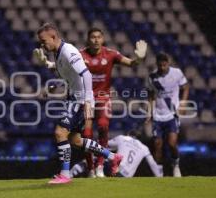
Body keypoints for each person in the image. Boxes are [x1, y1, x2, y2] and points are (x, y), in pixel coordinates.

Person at [33, 23, 123, 184]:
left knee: (60, 133)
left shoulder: (68, 51)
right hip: (75, 98)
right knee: (75, 140)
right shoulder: (58, 53)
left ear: (53, 37)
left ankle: (65, 174)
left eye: (43, 40)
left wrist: (88, 101)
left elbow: (86, 75)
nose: (42, 44)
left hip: (79, 100)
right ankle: (113, 157)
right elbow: (69, 77)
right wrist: (52, 84)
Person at [79, 28, 147, 177]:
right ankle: (90, 168)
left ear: (102, 39)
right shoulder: (80, 55)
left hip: (104, 98)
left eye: (99, 37)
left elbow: (131, 63)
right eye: (93, 37)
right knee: (86, 135)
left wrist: (140, 59)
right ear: (88, 39)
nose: (96, 40)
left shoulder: (110, 54)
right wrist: (50, 64)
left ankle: (100, 166)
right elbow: (63, 68)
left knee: (103, 126)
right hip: (87, 100)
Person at [147, 53, 189, 177]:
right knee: (157, 145)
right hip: (158, 116)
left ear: (168, 63)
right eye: (160, 65)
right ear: (157, 64)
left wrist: (183, 103)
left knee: (172, 144)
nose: (162, 67)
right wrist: (149, 112)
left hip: (172, 115)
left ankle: (175, 164)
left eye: (164, 65)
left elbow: (186, 87)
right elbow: (151, 95)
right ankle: (158, 172)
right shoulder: (152, 77)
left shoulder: (177, 73)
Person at [70, 131, 163, 178]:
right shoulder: (144, 147)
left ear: (128, 134)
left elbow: (103, 146)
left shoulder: (123, 138)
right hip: (127, 176)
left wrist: (89, 145)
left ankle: (69, 175)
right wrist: (160, 177)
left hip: (117, 169)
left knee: (90, 161)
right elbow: (153, 165)